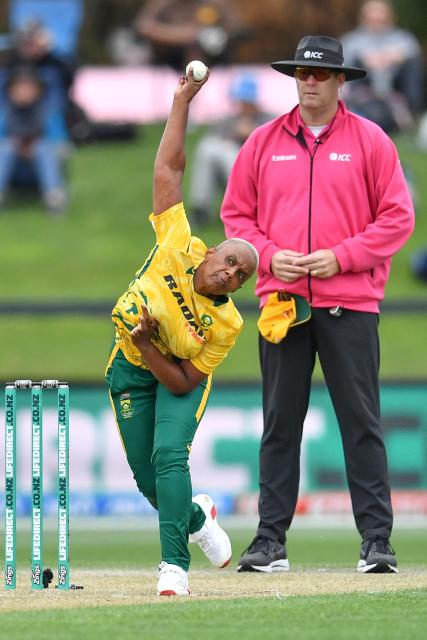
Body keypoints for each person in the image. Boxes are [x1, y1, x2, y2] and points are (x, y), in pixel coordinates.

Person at [220, 35, 415, 574]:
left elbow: (398, 218)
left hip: (350, 302)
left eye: (321, 74)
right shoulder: (261, 142)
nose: (310, 82)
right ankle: (269, 542)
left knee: (361, 422)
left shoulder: (372, 140)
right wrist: (267, 256)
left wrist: (342, 257)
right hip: (282, 305)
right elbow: (237, 218)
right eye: (302, 74)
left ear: (339, 81)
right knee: (280, 422)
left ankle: (377, 542)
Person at [105, 68, 258, 596]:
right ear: (213, 249)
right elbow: (170, 166)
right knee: (151, 484)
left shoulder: (228, 322)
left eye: (242, 276)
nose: (232, 274)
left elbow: (180, 383)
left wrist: (150, 341)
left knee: (169, 458)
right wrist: (181, 102)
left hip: (174, 376)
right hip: (128, 364)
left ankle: (174, 567)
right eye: (231, 261)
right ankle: (198, 518)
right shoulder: (177, 241)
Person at [189, 73, 272, 227]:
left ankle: (243, 206)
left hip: (258, 176)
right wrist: (234, 135)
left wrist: (252, 134)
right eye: (241, 100)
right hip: (227, 176)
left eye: (246, 100)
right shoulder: (227, 122)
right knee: (208, 148)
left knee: (225, 151)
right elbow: (210, 144)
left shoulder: (268, 121)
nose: (243, 104)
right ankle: (200, 207)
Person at [340, 0, 424, 133]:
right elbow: (343, 64)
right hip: (366, 92)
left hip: (397, 90)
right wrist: (365, 59)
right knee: (354, 66)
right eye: (372, 13)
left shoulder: (402, 37)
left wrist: (396, 56)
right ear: (363, 17)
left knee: (412, 61)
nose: (376, 17)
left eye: (380, 13)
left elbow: (412, 50)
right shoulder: (352, 40)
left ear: (390, 16)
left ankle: (412, 113)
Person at [0, 65, 68, 213]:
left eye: (28, 87)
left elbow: (62, 145)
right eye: (20, 87)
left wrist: (34, 147)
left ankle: (54, 197)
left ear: (38, 90)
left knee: (44, 148)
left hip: (40, 165)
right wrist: (17, 147)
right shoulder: (4, 113)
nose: (24, 92)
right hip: (12, 165)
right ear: (10, 90)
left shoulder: (49, 113)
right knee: (6, 148)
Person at [108, 0, 244, 70]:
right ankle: (186, 99)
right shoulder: (164, 3)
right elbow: (143, 26)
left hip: (211, 54)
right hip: (172, 54)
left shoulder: (214, 2)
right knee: (191, 48)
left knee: (197, 48)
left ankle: (194, 100)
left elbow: (237, 27)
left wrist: (214, 34)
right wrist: (180, 35)